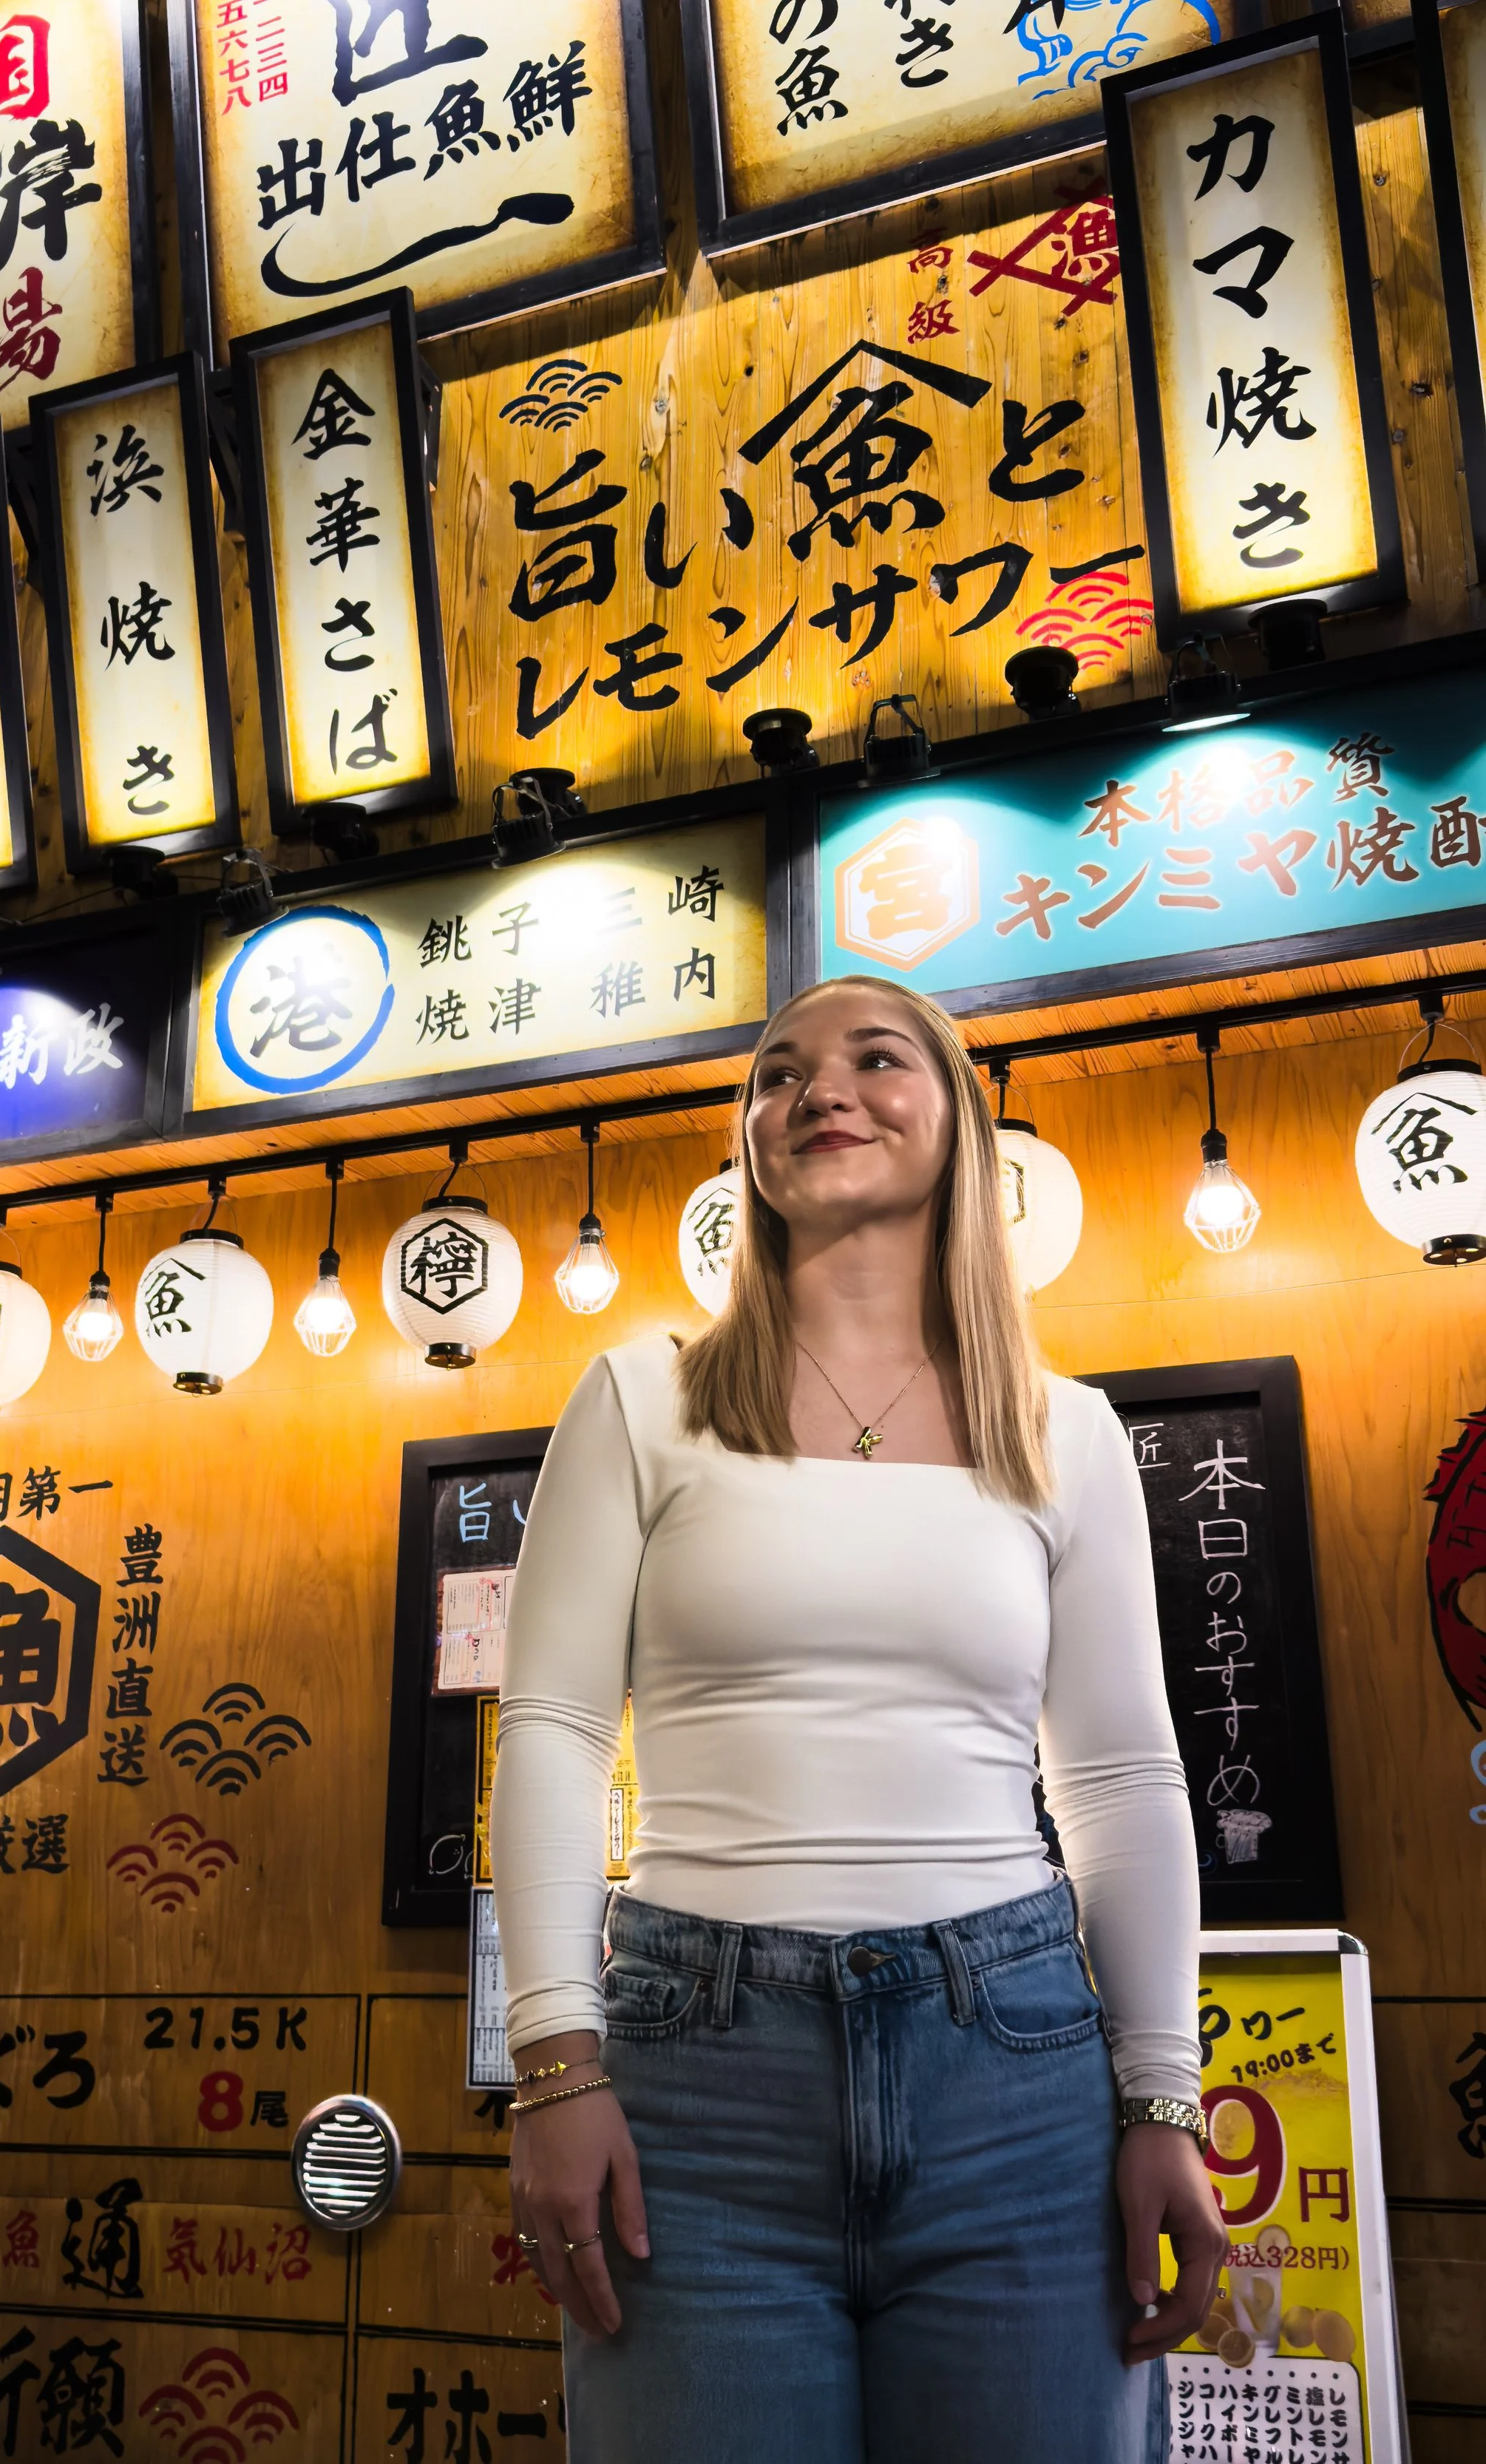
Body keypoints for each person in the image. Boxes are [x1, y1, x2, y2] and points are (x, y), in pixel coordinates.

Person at [489, 977, 1224, 2463]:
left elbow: (1122, 1769)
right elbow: (553, 1728)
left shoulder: (1060, 1425)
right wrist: (551, 2062)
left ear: (957, 1124)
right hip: (695, 2073)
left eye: (875, 1059)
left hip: (1013, 2072)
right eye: (776, 1074)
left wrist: (1162, 2094)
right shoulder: (642, 1396)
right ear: (748, 1143)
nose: (817, 1089)